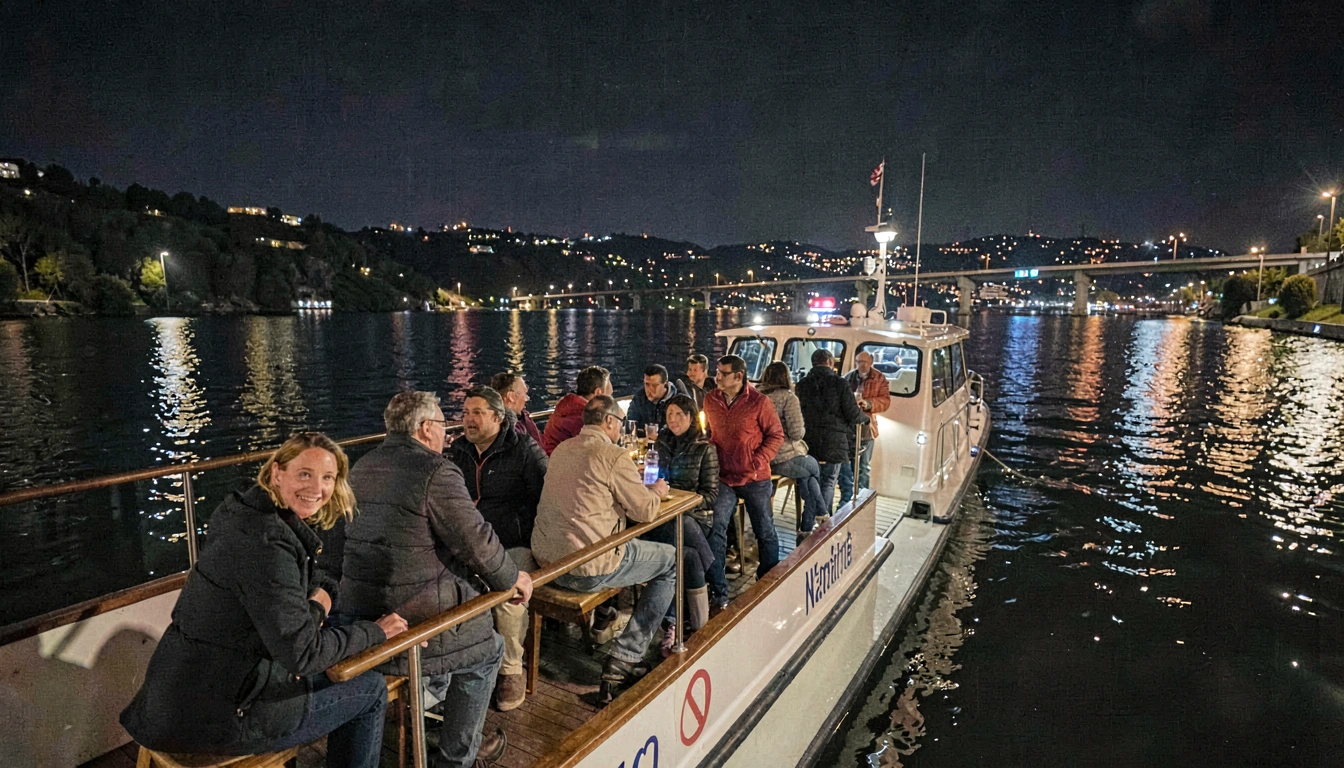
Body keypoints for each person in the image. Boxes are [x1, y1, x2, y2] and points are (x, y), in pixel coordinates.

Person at [121, 433, 407, 767]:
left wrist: (317, 605)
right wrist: (376, 631)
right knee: (370, 690)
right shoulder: (267, 546)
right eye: (305, 474)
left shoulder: (244, 513)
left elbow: (298, 594)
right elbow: (302, 654)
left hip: (179, 697)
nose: (317, 488)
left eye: (327, 477)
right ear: (276, 474)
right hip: (216, 717)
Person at [340, 392, 534, 768]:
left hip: (364, 616)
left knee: (461, 627)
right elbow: (477, 542)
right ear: (426, 428)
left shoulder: (361, 467)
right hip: (412, 623)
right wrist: (513, 580)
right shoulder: (436, 470)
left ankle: (431, 700)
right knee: (489, 647)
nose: (449, 432)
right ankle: (458, 756)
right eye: (445, 424)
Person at [531, 395, 675, 703]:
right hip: (586, 567)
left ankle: (609, 622)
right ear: (609, 421)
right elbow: (646, 512)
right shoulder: (613, 455)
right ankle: (627, 654)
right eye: (619, 423)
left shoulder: (561, 450)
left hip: (546, 562)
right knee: (672, 561)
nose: (619, 428)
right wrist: (658, 491)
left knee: (619, 542)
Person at [445, 387, 548, 712]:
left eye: (477, 412)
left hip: (514, 542)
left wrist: (515, 521)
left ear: (498, 416)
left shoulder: (523, 451)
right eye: (465, 413)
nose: (468, 420)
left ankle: (511, 668)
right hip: (470, 545)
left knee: (507, 592)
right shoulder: (458, 452)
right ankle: (449, 671)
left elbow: (546, 497)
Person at [703, 355, 785, 610]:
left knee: (764, 529)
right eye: (717, 372)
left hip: (754, 477)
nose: (717, 377)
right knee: (716, 526)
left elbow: (776, 435)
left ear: (738, 376)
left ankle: (768, 579)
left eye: (722, 373)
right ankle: (719, 591)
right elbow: (708, 432)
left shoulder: (760, 402)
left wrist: (757, 462)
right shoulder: (710, 400)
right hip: (724, 477)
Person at [646, 394, 718, 641]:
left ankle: (675, 622)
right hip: (666, 515)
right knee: (688, 555)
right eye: (669, 415)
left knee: (683, 525)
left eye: (679, 414)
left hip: (696, 517)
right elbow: (652, 479)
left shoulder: (704, 448)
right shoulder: (660, 445)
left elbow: (710, 496)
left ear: (690, 417)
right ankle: (699, 610)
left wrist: (681, 503)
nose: (674, 420)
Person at [757, 362, 827, 543]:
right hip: (784, 455)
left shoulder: (756, 396)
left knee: (807, 477)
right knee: (814, 470)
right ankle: (812, 523)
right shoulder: (788, 398)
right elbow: (796, 433)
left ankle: (817, 519)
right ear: (786, 377)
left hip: (763, 457)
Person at [796, 349, 869, 514]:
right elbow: (851, 413)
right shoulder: (840, 383)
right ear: (830, 363)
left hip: (809, 441)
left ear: (814, 363)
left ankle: (809, 520)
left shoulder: (802, 384)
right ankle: (824, 520)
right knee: (828, 481)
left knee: (812, 481)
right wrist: (865, 419)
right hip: (833, 441)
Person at [837, 351, 892, 507]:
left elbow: (885, 401)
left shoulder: (879, 378)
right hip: (849, 428)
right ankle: (847, 498)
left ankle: (863, 498)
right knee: (847, 465)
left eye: (865, 362)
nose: (861, 365)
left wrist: (867, 404)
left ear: (871, 362)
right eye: (859, 361)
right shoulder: (848, 378)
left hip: (867, 428)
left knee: (864, 466)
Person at [541, 365, 612, 455]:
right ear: (598, 392)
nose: (611, 403)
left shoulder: (569, 405)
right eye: (609, 396)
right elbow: (598, 450)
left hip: (552, 462)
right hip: (563, 465)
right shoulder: (584, 417)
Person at [490, 371, 542, 445]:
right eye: (525, 394)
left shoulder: (523, 417)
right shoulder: (505, 429)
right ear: (511, 396)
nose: (526, 399)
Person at [625, 364, 679, 428]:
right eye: (647, 384)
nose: (650, 389)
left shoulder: (678, 400)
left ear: (665, 385)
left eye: (654, 385)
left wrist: (660, 436)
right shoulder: (639, 397)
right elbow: (631, 424)